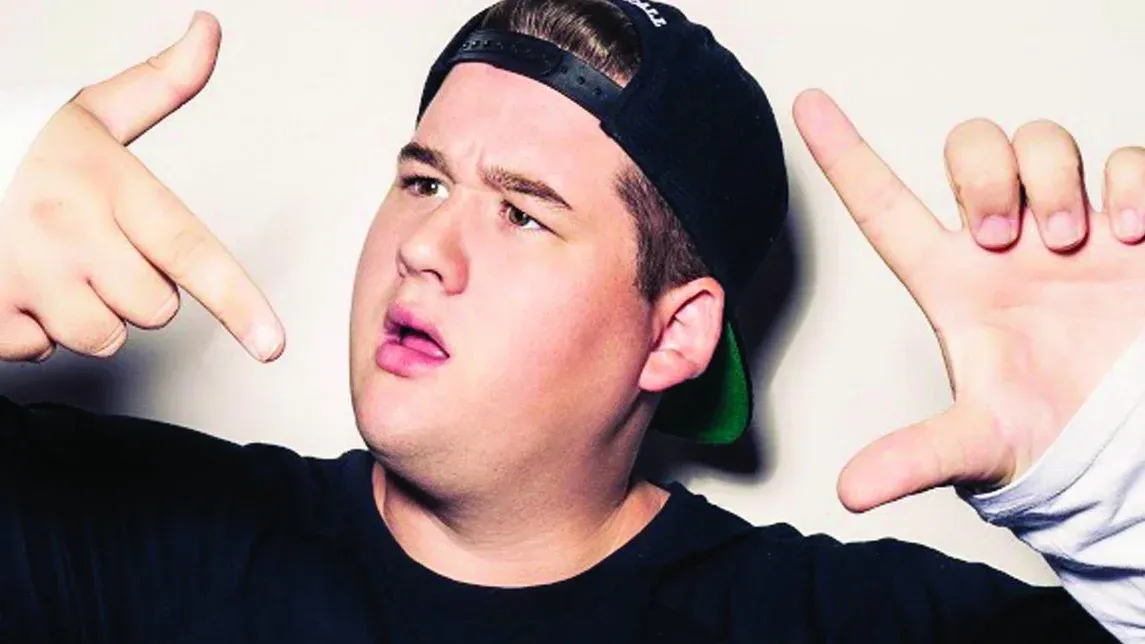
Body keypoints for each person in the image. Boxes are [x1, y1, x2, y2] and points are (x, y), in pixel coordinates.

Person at [0, 1, 1142, 642]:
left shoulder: (837, 624)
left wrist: (1119, 479)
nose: (423, 245)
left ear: (673, 336)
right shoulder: (129, 535)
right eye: (424, 180)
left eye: (522, 212)